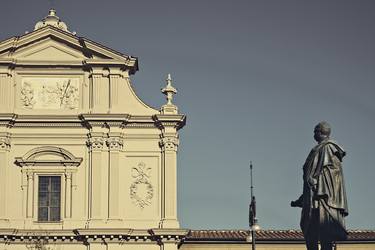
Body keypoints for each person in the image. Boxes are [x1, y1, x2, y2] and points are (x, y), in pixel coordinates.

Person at [291, 121, 348, 250]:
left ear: (322, 132)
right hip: (311, 198)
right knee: (310, 232)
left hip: (322, 200)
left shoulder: (328, 148)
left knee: (324, 233)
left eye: (315, 131)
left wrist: (317, 183)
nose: (313, 134)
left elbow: (334, 173)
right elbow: (309, 178)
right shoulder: (317, 149)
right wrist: (302, 199)